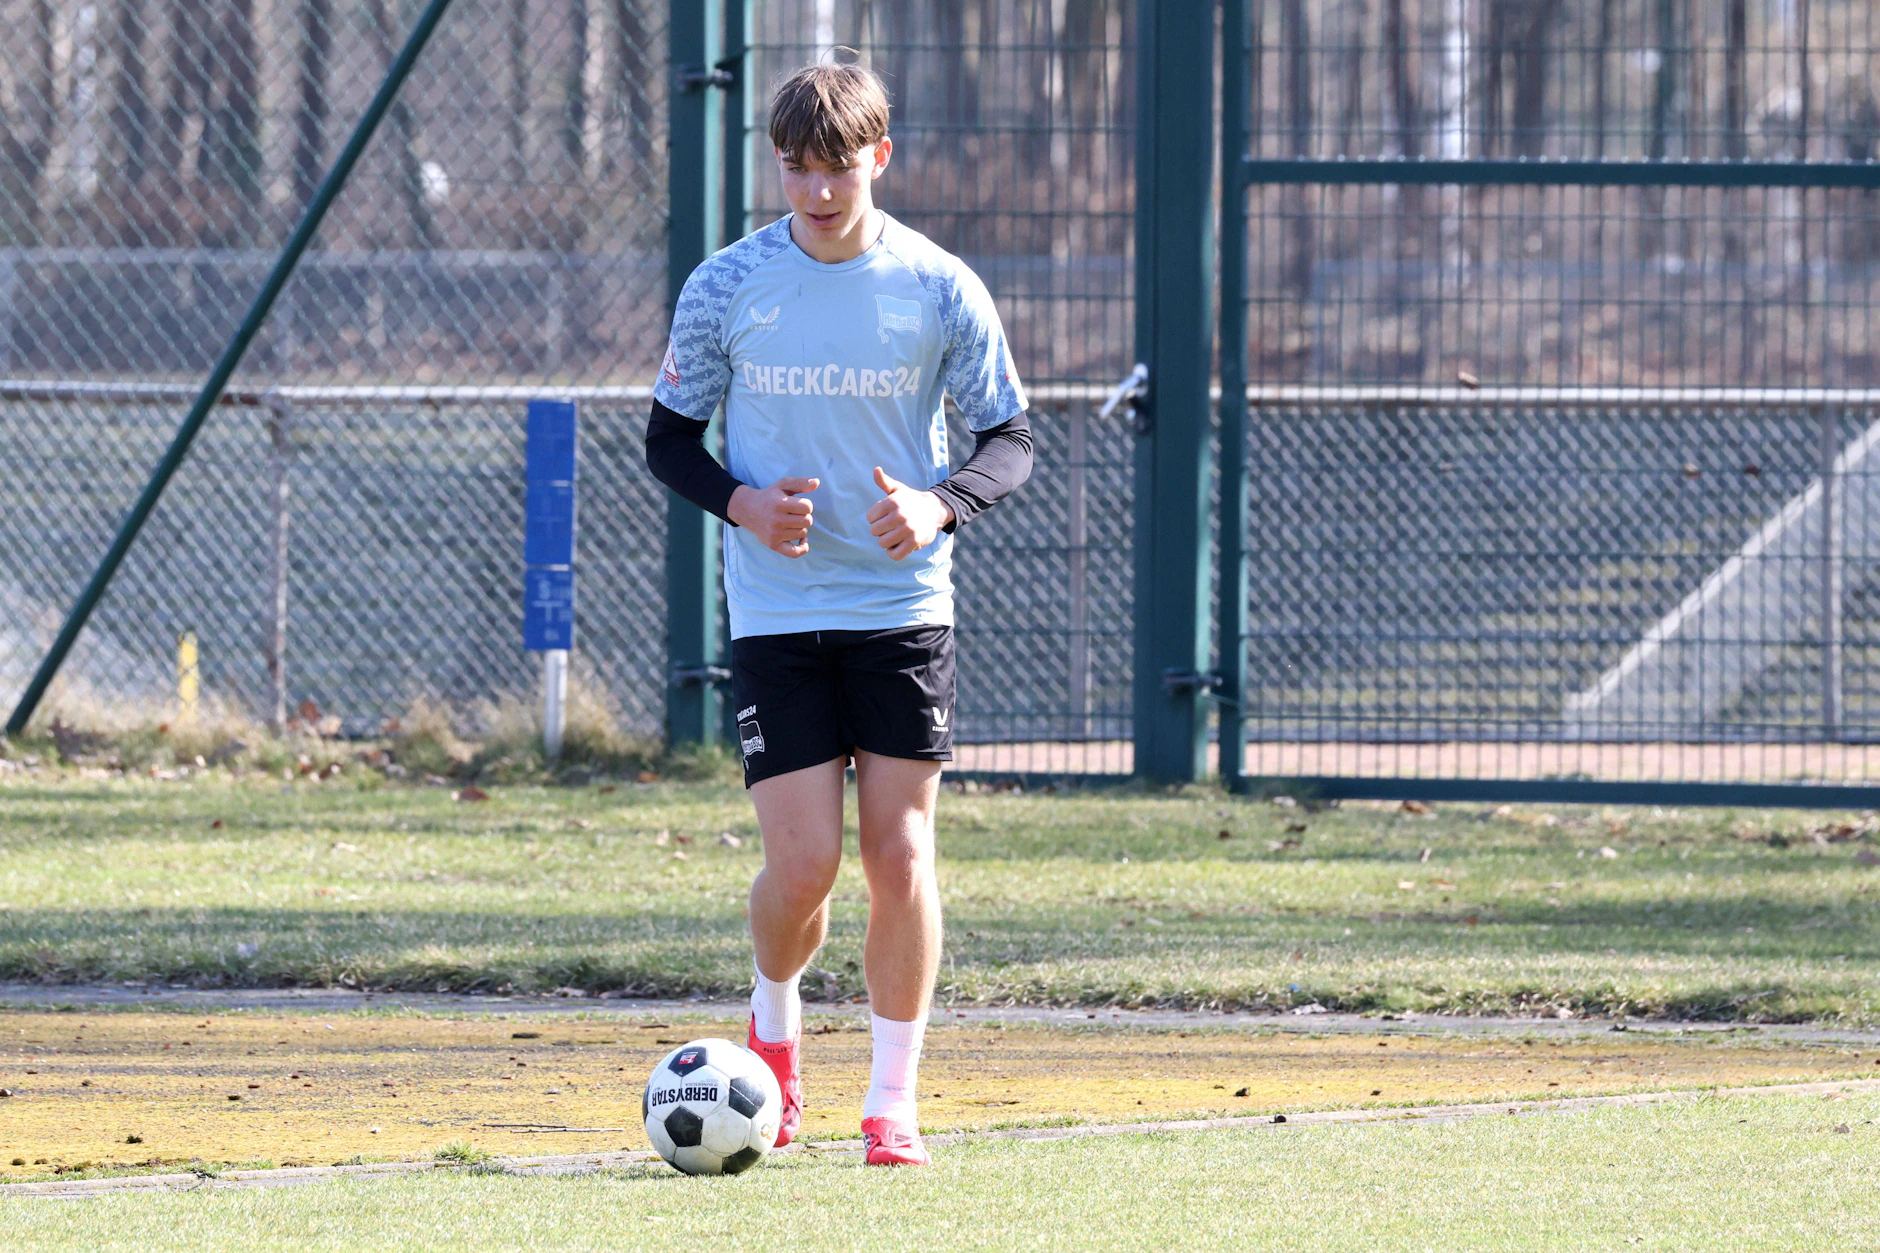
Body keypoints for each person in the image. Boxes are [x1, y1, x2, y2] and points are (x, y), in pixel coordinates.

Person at [644, 61, 1033, 1167]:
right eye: (798, 167)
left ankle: (891, 1099)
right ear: (779, 164)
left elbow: (1008, 435)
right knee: (804, 865)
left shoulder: (938, 284)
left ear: (880, 157)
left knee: (898, 853)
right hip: (775, 613)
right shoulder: (726, 285)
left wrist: (940, 501)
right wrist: (743, 503)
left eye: (839, 165)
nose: (817, 189)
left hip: (903, 609)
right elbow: (667, 438)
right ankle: (773, 1020)